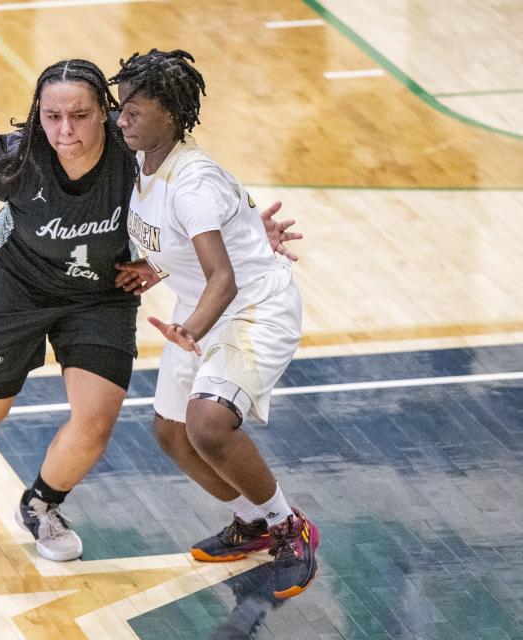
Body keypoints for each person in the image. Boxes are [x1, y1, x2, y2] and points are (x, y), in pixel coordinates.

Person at [0, 58, 299, 563]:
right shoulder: (16, 159)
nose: (65, 130)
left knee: (95, 418)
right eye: (52, 116)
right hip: (18, 285)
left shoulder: (133, 148)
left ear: (106, 112)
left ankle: (41, 504)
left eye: (81, 115)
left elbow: (198, 192)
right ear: (37, 113)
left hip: (102, 294)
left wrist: (247, 232)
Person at [110, 49, 319, 599]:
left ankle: (289, 528)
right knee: (170, 433)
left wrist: (190, 332)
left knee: (207, 424)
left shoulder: (193, 180)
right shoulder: (144, 159)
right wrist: (155, 268)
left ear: (172, 115)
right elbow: (184, 238)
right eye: (119, 107)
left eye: (133, 109)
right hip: (198, 306)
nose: (121, 118)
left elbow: (223, 277)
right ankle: (252, 521)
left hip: (251, 307)